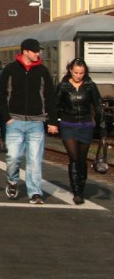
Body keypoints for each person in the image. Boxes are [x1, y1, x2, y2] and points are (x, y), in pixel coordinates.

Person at [0, 38, 56, 204]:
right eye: (35, 51)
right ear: (25, 52)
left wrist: (52, 120)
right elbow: (0, 94)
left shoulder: (42, 71)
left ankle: (35, 192)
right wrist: (7, 117)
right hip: (15, 121)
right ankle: (12, 180)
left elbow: (50, 95)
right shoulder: (11, 69)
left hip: (36, 122)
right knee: (13, 157)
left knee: (35, 160)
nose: (38, 53)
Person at [50, 58, 103, 205]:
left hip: (85, 125)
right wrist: (53, 123)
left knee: (82, 159)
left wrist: (102, 125)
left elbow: (97, 105)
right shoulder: (63, 86)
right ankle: (77, 192)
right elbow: (55, 105)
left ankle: (81, 185)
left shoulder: (90, 86)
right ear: (70, 71)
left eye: (81, 73)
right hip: (68, 125)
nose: (78, 76)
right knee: (73, 157)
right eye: (76, 72)